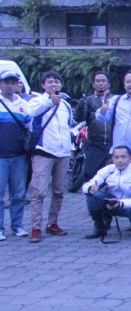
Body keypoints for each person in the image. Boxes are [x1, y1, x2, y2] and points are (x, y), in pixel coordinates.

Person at [28, 71, 76, 242]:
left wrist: (71, 148)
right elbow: (32, 114)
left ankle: (52, 223)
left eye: (57, 82)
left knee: (58, 191)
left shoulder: (66, 105)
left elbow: (68, 127)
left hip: (63, 153)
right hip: (43, 152)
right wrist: (50, 102)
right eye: (50, 82)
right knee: (39, 192)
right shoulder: (36, 101)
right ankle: (35, 227)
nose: (54, 85)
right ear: (43, 85)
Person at [82, 145, 131, 238]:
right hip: (110, 203)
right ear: (112, 158)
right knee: (92, 194)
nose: (120, 160)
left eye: (123, 157)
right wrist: (90, 188)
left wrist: (120, 203)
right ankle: (100, 227)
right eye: (116, 157)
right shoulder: (107, 170)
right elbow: (87, 185)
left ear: (130, 158)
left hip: (130, 205)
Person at [0, 69, 31, 240]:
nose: (10, 86)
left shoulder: (24, 105)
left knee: (18, 194)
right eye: (6, 82)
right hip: (0, 157)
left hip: (19, 156)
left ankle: (17, 226)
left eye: (13, 82)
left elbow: (29, 128)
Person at [73, 71, 112, 181]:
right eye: (98, 81)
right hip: (94, 143)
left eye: (103, 81)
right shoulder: (87, 101)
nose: (100, 83)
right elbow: (77, 119)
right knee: (90, 175)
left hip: (112, 144)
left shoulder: (115, 100)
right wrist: (80, 106)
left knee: (110, 177)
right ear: (93, 84)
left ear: (108, 84)